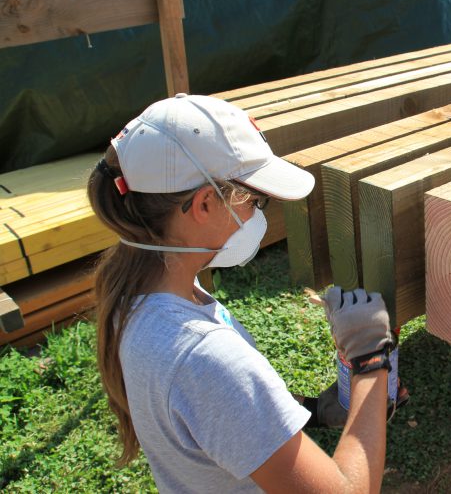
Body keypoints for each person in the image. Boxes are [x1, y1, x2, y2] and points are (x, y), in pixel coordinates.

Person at [87, 93, 397, 493]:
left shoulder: (135, 295)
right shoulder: (204, 358)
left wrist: (308, 412)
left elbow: (210, 419)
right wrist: (370, 359)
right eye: (253, 200)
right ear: (203, 204)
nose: (257, 213)